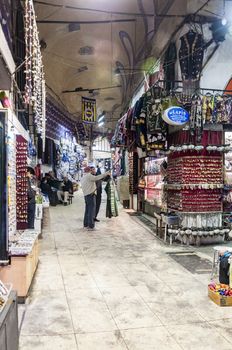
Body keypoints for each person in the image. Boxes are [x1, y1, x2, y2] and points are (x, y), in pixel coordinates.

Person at [81, 166, 111, 231]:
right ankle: (91, 226)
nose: (92, 171)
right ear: (89, 171)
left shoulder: (83, 177)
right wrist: (106, 173)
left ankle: (86, 224)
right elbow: (97, 178)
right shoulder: (89, 176)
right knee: (91, 210)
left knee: (87, 211)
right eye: (91, 170)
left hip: (86, 195)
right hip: (91, 195)